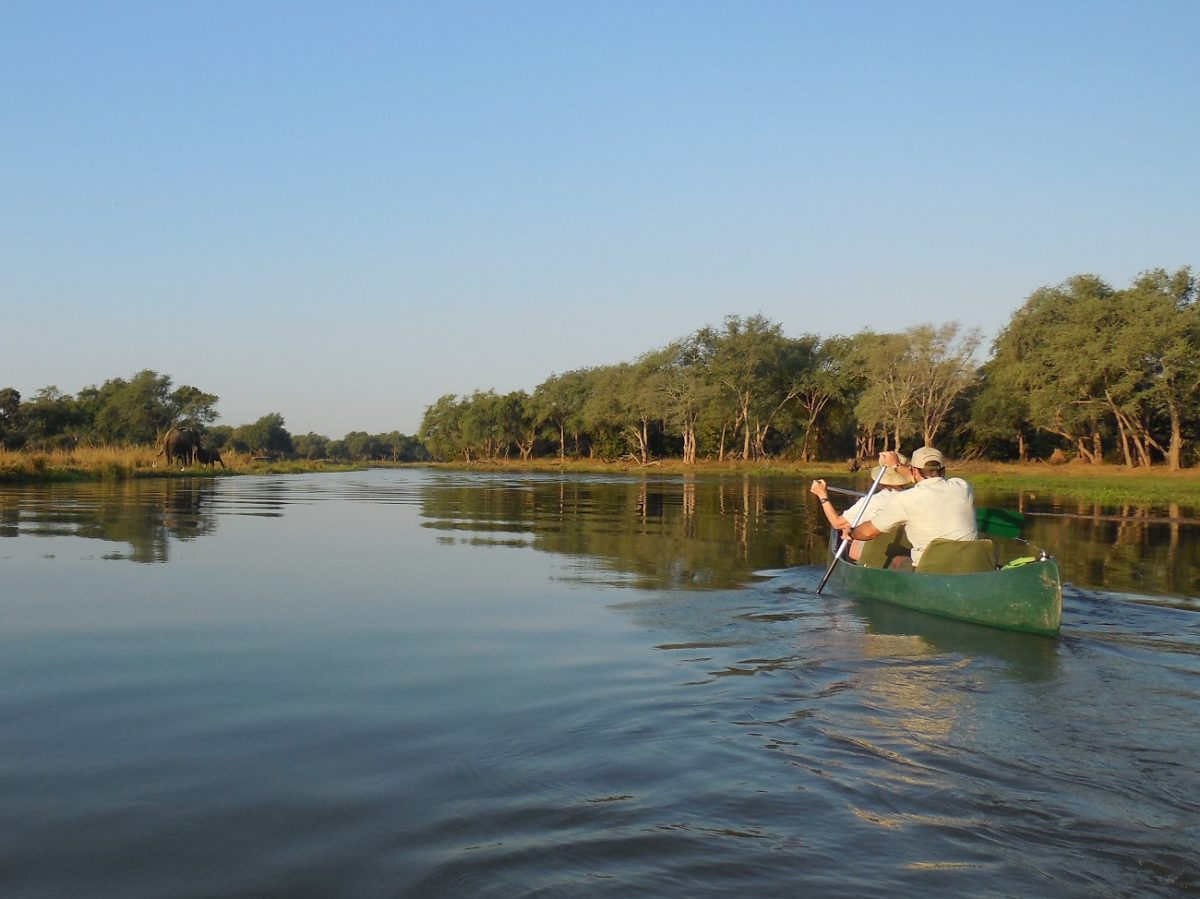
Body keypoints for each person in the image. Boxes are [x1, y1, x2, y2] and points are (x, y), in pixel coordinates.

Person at [842, 446, 977, 569]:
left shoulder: (906, 499)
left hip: (932, 571)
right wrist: (896, 465)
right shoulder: (963, 487)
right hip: (971, 567)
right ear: (944, 470)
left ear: (913, 470)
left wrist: (851, 533)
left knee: (898, 561)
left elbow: (868, 532)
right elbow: (922, 478)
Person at [810, 460, 912, 562]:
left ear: (879, 479)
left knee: (851, 531)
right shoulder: (914, 497)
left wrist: (822, 495)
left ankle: (853, 562)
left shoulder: (872, 501)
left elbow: (837, 523)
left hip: (872, 559)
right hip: (905, 556)